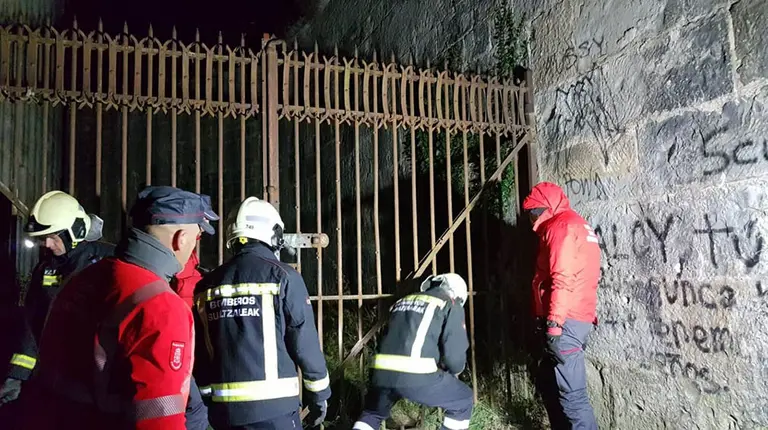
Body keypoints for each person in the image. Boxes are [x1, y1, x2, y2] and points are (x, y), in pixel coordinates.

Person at [21, 185, 219, 430]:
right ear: (181, 239)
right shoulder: (162, 306)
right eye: (197, 238)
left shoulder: (82, 279)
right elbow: (159, 421)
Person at [193, 196, 331, 430]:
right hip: (275, 412)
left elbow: (202, 352)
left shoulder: (205, 286)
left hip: (223, 413)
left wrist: (207, 398)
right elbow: (304, 344)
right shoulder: (283, 277)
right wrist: (319, 394)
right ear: (273, 233)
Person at [0, 191, 114, 410]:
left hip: (97, 386)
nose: (47, 244)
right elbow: (31, 326)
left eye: (53, 237)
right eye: (44, 238)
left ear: (76, 230)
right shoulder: (45, 269)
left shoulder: (109, 262)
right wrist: (17, 376)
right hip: (55, 383)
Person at [522, 181, 600, 430]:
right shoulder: (577, 224)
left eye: (533, 213)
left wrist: (554, 324)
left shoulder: (560, 227)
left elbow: (562, 278)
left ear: (544, 209)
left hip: (565, 321)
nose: (531, 219)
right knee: (553, 385)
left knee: (573, 398)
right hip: (577, 317)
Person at [352, 273, 473, 430]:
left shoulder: (403, 301)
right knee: (463, 400)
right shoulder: (449, 303)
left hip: (381, 373)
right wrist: (453, 370)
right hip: (416, 375)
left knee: (372, 413)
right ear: (457, 294)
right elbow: (454, 357)